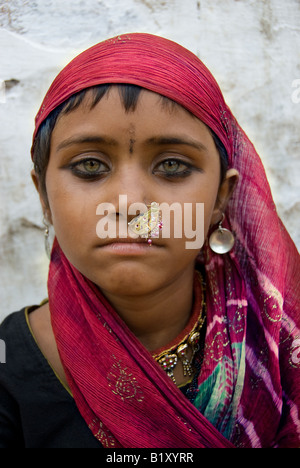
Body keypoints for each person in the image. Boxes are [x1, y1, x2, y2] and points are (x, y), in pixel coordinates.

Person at [0, 32, 299, 449]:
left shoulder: (277, 346)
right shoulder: (8, 366)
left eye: (173, 165)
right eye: (89, 165)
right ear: (44, 197)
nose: (131, 204)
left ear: (220, 198)